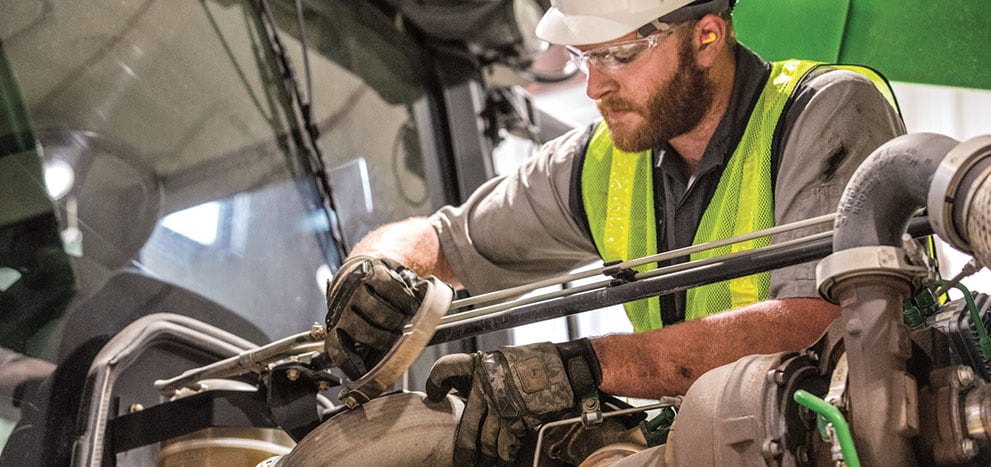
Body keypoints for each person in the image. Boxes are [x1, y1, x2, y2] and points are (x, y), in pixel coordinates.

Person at [322, 0, 906, 464]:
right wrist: (375, 268)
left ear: (706, 37)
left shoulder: (826, 112)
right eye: (583, 57)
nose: (593, 88)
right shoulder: (599, 163)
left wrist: (584, 367)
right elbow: (441, 241)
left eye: (618, 56)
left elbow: (824, 320)